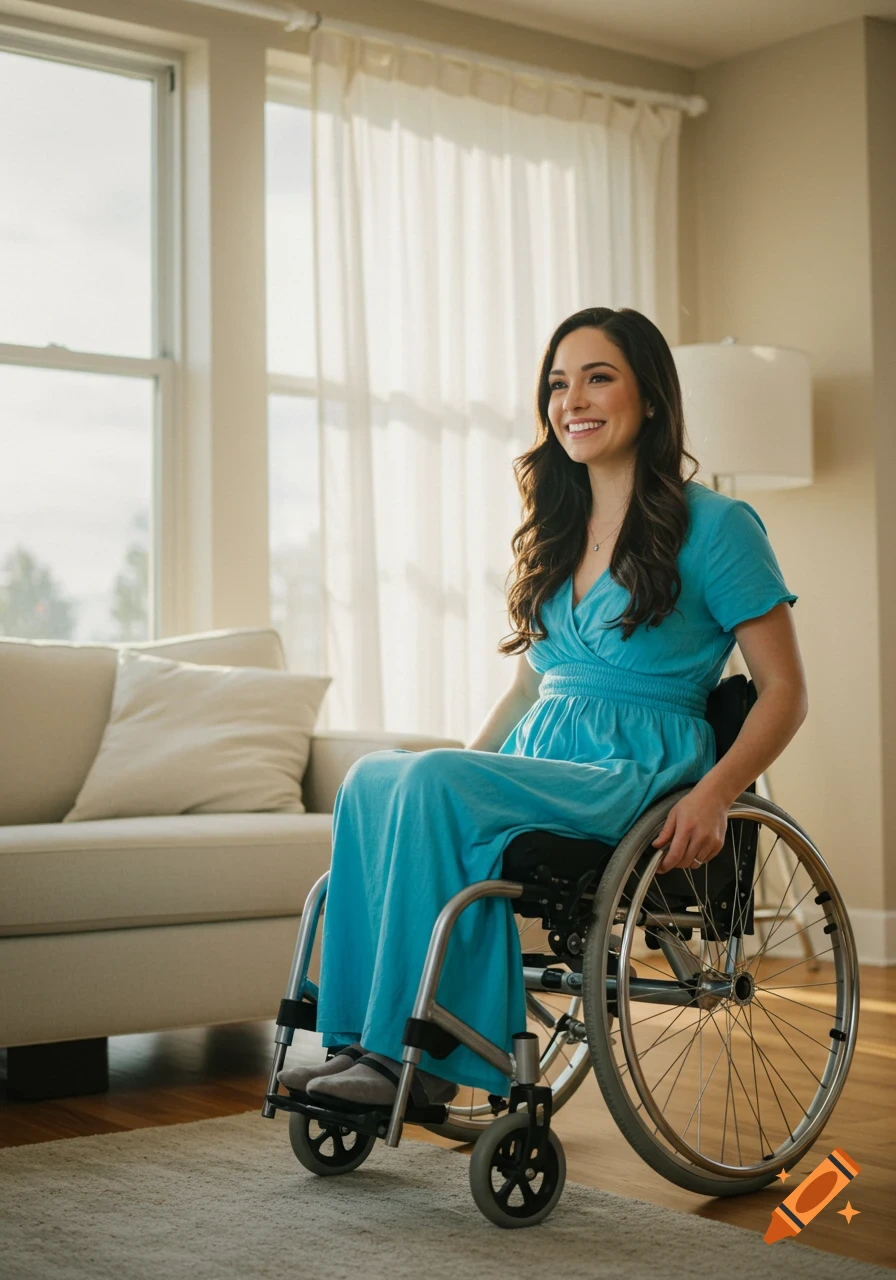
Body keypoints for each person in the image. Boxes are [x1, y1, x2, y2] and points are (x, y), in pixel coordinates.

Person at [278, 305, 808, 1107]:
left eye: (599, 377)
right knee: (375, 779)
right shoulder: (559, 529)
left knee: (426, 783)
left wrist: (716, 792)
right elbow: (530, 686)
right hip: (546, 754)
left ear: (652, 397)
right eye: (559, 384)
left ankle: (413, 1065)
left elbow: (785, 692)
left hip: (635, 769)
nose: (574, 400)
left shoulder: (719, 526)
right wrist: (452, 766)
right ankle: (359, 1045)